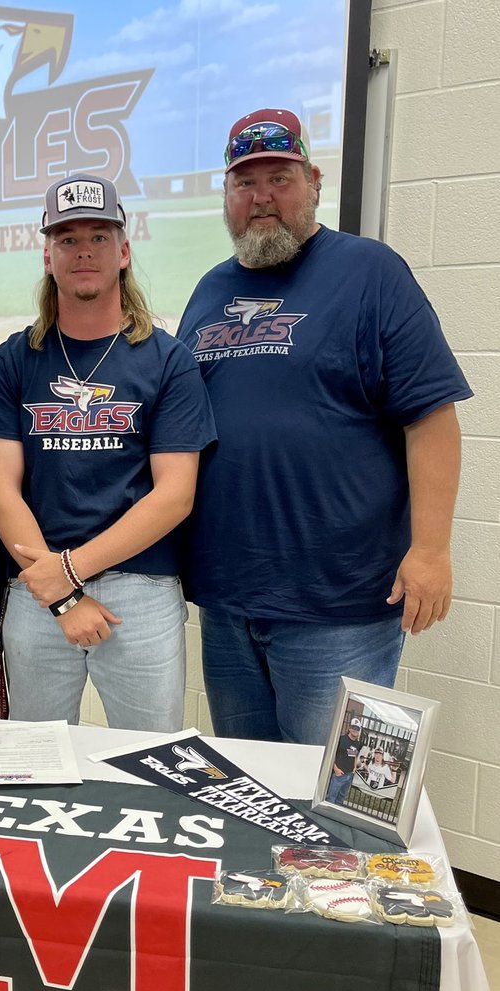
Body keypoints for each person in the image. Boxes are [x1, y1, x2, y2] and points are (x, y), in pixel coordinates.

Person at [177, 107, 471, 745]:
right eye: (244, 182)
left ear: (313, 181)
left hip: (340, 605)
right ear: (226, 196)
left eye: (279, 178)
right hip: (228, 601)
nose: (262, 198)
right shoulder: (208, 291)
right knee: (251, 799)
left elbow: (432, 417)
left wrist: (431, 551)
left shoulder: (370, 273)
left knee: (333, 808)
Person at [0, 174, 215, 732]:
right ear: (48, 255)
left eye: (99, 236)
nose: (83, 249)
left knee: (151, 763)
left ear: (124, 251)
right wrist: (58, 594)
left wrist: (72, 573)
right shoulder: (15, 360)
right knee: (33, 764)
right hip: (37, 585)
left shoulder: (166, 360)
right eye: (67, 237)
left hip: (140, 588)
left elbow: (175, 496)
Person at [326, 716, 362, 806]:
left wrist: (354, 769)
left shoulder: (358, 743)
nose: (355, 730)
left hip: (350, 775)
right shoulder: (341, 739)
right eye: (353, 727)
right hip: (339, 774)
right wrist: (336, 769)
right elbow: (332, 754)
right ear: (349, 728)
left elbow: (355, 755)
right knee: (331, 799)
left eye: (357, 728)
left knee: (340, 800)